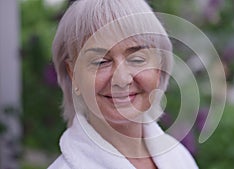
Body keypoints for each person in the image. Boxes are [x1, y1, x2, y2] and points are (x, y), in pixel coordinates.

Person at [48, 0, 198, 168]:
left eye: (137, 59)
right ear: (73, 73)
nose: (121, 79)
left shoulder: (180, 159)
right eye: (100, 62)